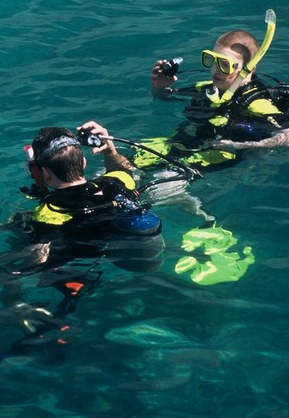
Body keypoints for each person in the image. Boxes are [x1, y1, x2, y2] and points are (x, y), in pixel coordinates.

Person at [18, 122, 162, 270]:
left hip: (88, 259)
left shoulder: (47, 212)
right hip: (126, 244)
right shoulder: (118, 182)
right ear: (84, 163)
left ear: (45, 173)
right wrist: (110, 151)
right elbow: (121, 168)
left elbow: (40, 254)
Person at [150, 21, 288, 152]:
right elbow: (164, 100)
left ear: (249, 69)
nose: (215, 70)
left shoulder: (258, 105)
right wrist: (159, 88)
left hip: (218, 155)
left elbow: (286, 136)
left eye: (225, 65)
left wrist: (240, 145)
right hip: (183, 142)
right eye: (213, 60)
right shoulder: (204, 88)